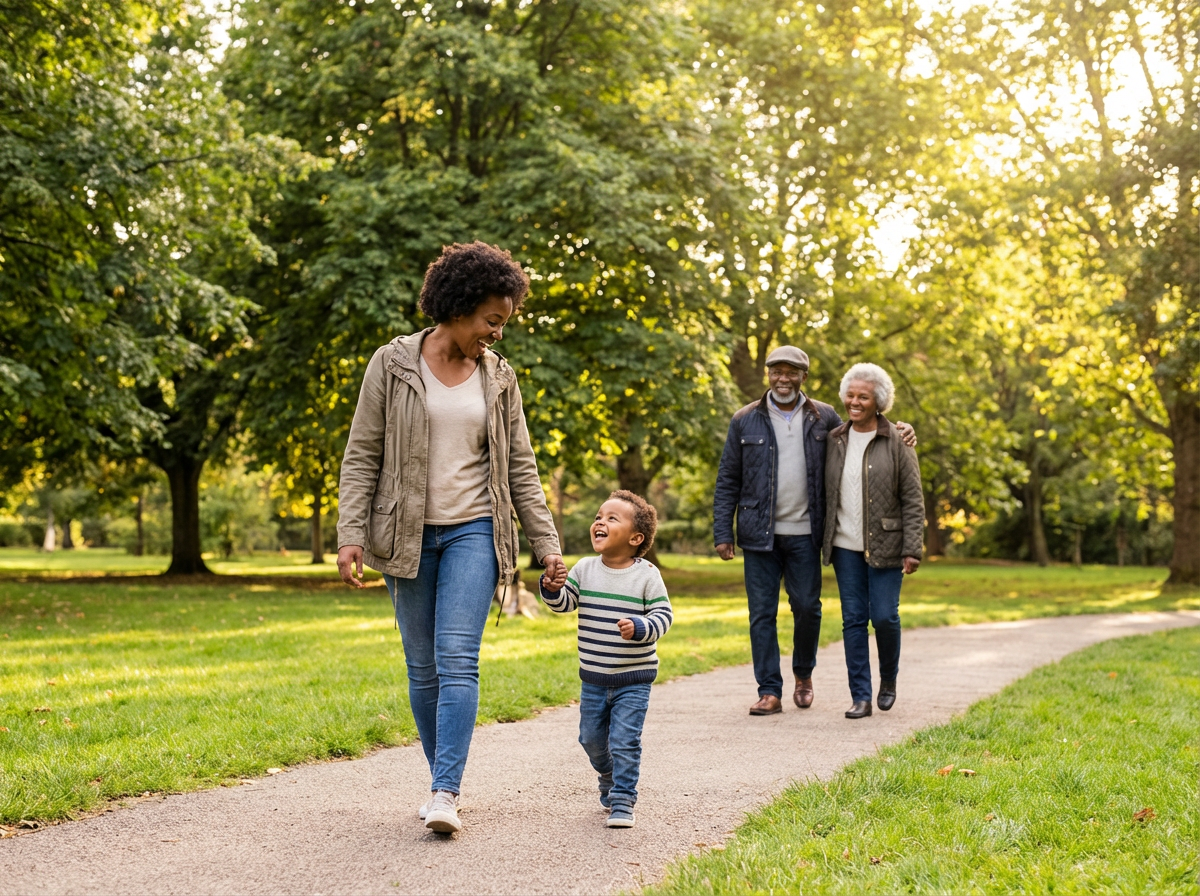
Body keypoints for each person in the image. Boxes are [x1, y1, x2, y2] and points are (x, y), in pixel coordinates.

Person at [336, 241, 566, 834]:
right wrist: (350, 533)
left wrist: (546, 545)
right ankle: (442, 776)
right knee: (422, 667)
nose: (497, 333)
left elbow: (521, 467)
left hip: (475, 530)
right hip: (405, 534)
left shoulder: (500, 378)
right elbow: (361, 454)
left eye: (503, 323)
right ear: (459, 307)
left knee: (457, 657)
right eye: (492, 320)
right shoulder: (392, 364)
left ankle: (445, 790)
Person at [712, 346, 915, 715]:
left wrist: (903, 429)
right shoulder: (744, 419)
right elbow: (728, 478)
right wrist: (722, 531)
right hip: (759, 535)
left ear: (803, 377)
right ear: (768, 374)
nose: (783, 379)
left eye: (791, 372)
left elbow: (864, 428)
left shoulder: (824, 417)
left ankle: (803, 674)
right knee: (761, 613)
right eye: (777, 371)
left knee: (807, 608)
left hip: (808, 534)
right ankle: (769, 690)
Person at [539, 490, 672, 829]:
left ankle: (623, 799)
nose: (600, 521)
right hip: (594, 679)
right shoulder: (584, 569)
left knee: (625, 741)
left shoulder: (647, 575)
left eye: (612, 518)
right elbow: (564, 604)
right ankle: (609, 774)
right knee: (591, 739)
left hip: (634, 678)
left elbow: (663, 616)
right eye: (599, 516)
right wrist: (552, 588)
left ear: (635, 538)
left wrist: (640, 627)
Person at [822, 363, 924, 719]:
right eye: (850, 395)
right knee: (853, 620)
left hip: (887, 544)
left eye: (863, 397)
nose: (855, 402)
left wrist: (913, 548)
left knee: (883, 617)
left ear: (878, 401)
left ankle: (889, 679)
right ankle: (860, 696)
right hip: (844, 545)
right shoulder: (834, 439)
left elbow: (913, 498)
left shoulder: (898, 440)